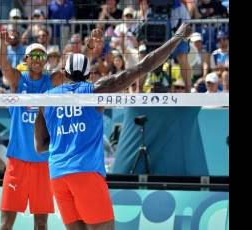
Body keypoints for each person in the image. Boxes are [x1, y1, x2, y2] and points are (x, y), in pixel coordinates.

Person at [34, 23, 191, 229]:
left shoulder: (46, 101)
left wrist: (67, 135)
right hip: (86, 173)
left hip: (57, 175)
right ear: (89, 74)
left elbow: (40, 147)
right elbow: (143, 66)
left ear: (65, 72)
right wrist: (178, 36)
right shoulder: (96, 90)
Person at [0, 30, 67, 229]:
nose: (37, 59)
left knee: (41, 224)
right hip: (17, 161)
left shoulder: (51, 82)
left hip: (43, 163)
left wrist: (89, 49)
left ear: (45, 61)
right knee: (6, 223)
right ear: (26, 59)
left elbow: (77, 71)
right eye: (33, 55)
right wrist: (2, 42)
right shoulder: (18, 80)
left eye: (41, 56)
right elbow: (2, 64)